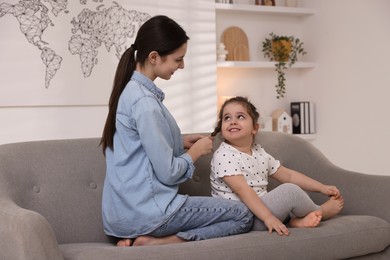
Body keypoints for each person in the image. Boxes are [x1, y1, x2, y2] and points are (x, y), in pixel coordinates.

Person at [100, 16, 253, 247]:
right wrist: (197, 152)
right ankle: (161, 241)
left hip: (120, 218)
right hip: (150, 214)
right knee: (243, 215)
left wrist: (179, 142)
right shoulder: (145, 103)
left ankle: (132, 238)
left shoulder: (130, 93)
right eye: (178, 59)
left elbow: (137, 146)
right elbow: (169, 173)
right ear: (154, 57)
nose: (182, 66)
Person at [210, 96, 344, 236]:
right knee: (289, 191)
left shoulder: (259, 153)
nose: (233, 122)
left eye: (240, 116)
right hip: (245, 216)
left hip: (261, 210)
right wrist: (268, 217)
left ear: (255, 128)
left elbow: (289, 175)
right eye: (227, 118)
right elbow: (243, 191)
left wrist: (321, 187)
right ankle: (320, 211)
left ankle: (295, 221)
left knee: (293, 191)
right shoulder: (224, 155)